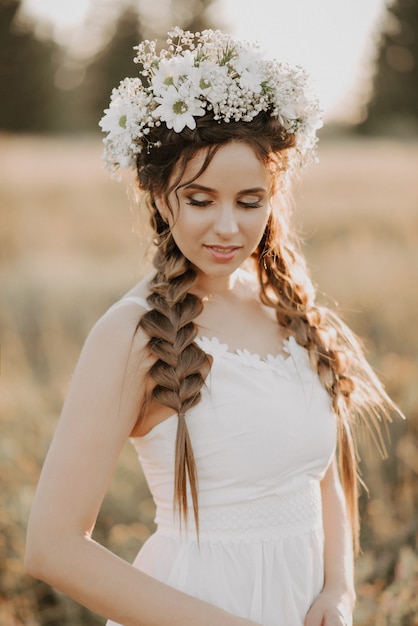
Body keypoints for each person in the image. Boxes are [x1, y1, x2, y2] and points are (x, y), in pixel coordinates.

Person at [25, 27, 398, 626]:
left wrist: (339, 590)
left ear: (275, 194)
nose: (227, 227)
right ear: (157, 193)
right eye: (200, 200)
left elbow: (318, 477)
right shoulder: (132, 334)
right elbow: (52, 546)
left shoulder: (294, 315)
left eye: (250, 201)